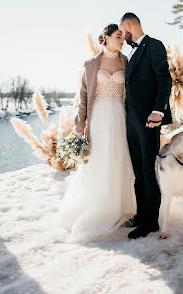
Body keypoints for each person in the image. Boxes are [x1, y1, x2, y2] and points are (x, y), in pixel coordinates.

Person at [59, 24, 136, 240]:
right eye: (118, 36)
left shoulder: (126, 62)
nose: (122, 40)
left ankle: (123, 208)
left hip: (120, 116)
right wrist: (79, 123)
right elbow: (83, 95)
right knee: (99, 160)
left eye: (123, 37)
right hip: (99, 118)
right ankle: (98, 207)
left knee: (120, 159)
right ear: (106, 38)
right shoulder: (91, 64)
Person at [119, 12, 172, 239]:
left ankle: (151, 222)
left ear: (130, 25)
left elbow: (164, 79)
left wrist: (158, 112)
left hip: (150, 121)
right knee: (139, 171)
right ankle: (141, 215)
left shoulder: (154, 45)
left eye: (123, 31)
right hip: (131, 121)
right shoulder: (132, 52)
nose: (123, 36)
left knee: (150, 171)